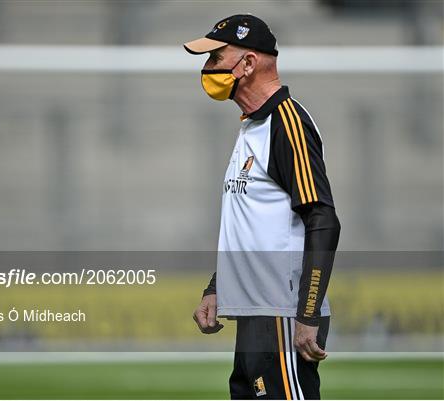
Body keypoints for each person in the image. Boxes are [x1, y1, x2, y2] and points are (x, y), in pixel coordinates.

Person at [184, 14, 341, 400]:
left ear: (249, 63)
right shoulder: (252, 127)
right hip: (256, 311)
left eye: (216, 57)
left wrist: (306, 314)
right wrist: (218, 286)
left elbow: (322, 218)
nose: (207, 69)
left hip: (282, 313)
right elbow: (251, 224)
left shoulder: (286, 124)